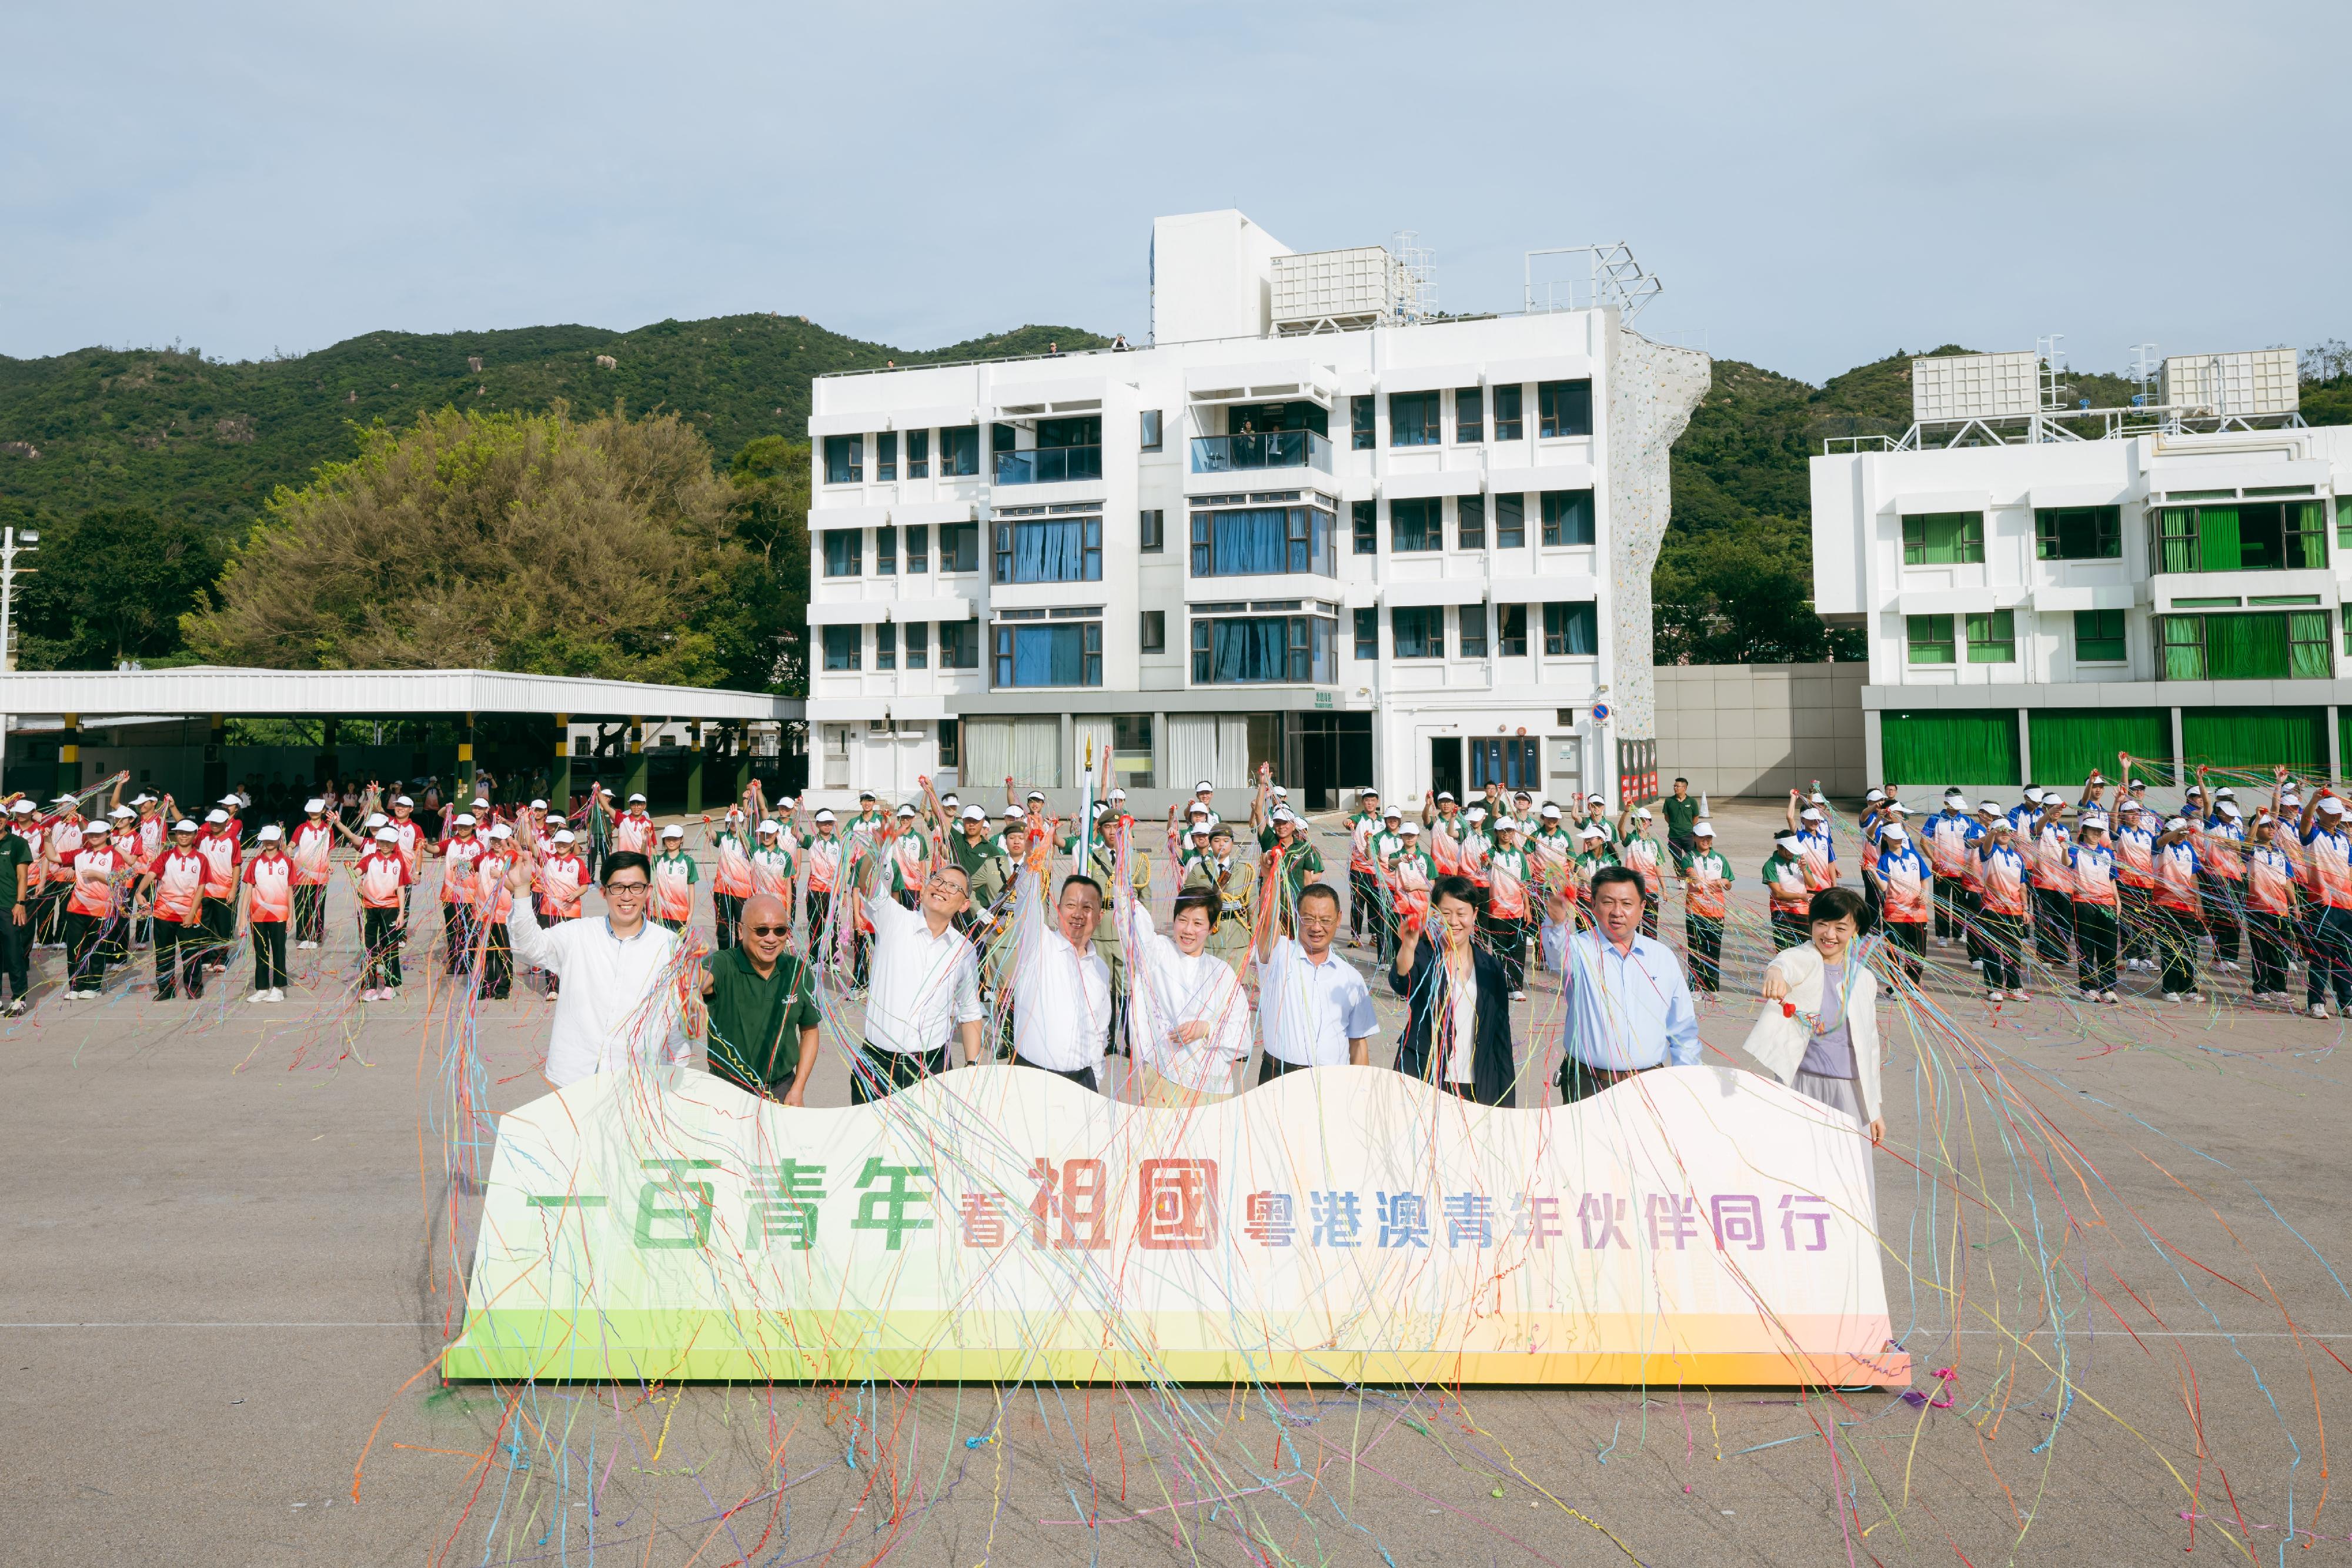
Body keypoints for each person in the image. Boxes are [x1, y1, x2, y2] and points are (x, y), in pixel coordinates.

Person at [503, 849, 686, 1086]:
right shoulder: (577, 934)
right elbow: (527, 948)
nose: (627, 896)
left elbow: (676, 1016)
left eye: (636, 887)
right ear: (604, 892)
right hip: (575, 1075)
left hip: (637, 1080)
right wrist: (521, 890)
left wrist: (676, 1076)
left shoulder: (669, 945)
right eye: (617, 888)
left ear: (649, 891)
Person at [1540, 865, 1698, 1105]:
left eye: (1626, 903)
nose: (1617, 912)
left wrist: (1688, 1083)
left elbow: (1683, 1029)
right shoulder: (1578, 949)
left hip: (1650, 1085)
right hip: (1588, 1085)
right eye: (1608, 902)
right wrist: (1558, 922)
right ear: (1593, 904)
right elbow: (1555, 955)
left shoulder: (1662, 957)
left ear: (1642, 907)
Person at [854, 807, 984, 1099]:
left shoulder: (963, 950)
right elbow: (869, 885)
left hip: (933, 1067)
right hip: (877, 1063)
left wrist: (972, 1066)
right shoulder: (894, 919)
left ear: (964, 905)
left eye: (954, 887)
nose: (941, 887)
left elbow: (969, 1010)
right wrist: (877, 850)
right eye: (937, 880)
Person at [1746, 887, 1887, 1144]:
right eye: (1822, 924)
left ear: (1855, 932)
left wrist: (1874, 1108)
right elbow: (1785, 964)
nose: (1829, 934)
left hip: (1850, 1089)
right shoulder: (1804, 958)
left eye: (1841, 928)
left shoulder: (1864, 979)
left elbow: (1870, 1045)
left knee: (1846, 1172)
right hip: (1802, 1082)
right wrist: (1775, 973)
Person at [1117, 875, 1250, 1106]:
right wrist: (1122, 882)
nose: (1188, 930)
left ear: (1211, 927)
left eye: (1198, 923)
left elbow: (1243, 1039)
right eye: (1183, 920)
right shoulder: (1159, 953)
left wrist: (1207, 1029)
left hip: (1213, 1090)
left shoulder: (1223, 973)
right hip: (1164, 1082)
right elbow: (1133, 922)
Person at [1391, 873, 1518, 1105]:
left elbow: (1501, 1036)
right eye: (1445, 913)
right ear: (1434, 914)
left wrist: (1507, 1105)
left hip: (1477, 1082)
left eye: (1461, 914)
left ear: (1475, 915)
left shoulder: (1491, 967)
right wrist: (1408, 946)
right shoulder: (1423, 955)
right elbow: (1401, 983)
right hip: (1426, 1077)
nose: (1454, 921)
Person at [1007, 836, 1112, 1090]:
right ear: (1057, 909)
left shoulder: (1100, 968)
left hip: (1083, 1082)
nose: (1078, 914)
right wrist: (1032, 866)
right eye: (1070, 905)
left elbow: (1099, 1030)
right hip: (1031, 1078)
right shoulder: (1038, 944)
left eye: (1087, 907)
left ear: (1099, 916)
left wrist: (1095, 1078)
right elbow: (1026, 904)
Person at [701, 892, 823, 1105]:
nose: (771, 939)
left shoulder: (797, 970)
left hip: (780, 1089)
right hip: (726, 1090)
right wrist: (688, 976)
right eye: (761, 930)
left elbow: (809, 1031)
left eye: (780, 930)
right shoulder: (724, 963)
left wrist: (798, 1088)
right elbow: (700, 979)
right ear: (741, 931)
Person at [1254, 878, 1375, 1081]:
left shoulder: (1351, 978)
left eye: (1326, 920)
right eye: (1308, 918)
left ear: (1338, 919)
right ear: (1296, 917)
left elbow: (1358, 1042)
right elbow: (1266, 923)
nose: (1317, 928)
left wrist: (1361, 1091)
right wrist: (1270, 877)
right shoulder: (1279, 955)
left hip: (1333, 1082)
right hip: (1278, 1078)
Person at [61, 818, 132, 998]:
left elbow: (118, 880)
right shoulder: (81, 854)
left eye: (98, 834)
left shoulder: (114, 855)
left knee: (97, 948)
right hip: (76, 908)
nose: (94, 837)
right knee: (75, 948)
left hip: (101, 910)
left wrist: (96, 875)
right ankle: (75, 987)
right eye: (91, 834)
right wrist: (46, 839)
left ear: (108, 835)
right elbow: (54, 857)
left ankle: (94, 988)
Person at [140, 820, 208, 1001]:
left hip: (190, 914)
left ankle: (194, 988)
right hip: (164, 913)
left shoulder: (201, 859)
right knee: (164, 953)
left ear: (195, 836)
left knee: (191, 953)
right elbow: (150, 875)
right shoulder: (166, 856)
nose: (184, 836)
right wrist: (140, 892)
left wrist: (192, 914)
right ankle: (166, 989)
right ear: (175, 835)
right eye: (180, 833)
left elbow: (201, 888)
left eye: (188, 833)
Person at [1183, 821, 1256, 974]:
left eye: (1226, 840)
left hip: (1237, 937)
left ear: (1233, 843)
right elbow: (1185, 901)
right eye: (1216, 841)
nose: (1221, 844)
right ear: (1210, 844)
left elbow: (1253, 906)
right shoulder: (1199, 870)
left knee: (1235, 988)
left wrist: (1255, 940)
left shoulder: (1245, 871)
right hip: (1208, 937)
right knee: (1209, 986)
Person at [1975, 817, 2032, 1001]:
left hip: (2014, 911)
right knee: (1992, 948)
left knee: (2013, 950)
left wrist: (2025, 908)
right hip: (1992, 908)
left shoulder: (2017, 857)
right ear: (1993, 832)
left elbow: (2022, 886)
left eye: (2008, 831)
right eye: (2001, 831)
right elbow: (1986, 846)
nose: (2005, 834)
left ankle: (2015, 987)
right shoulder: (1989, 851)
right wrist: (1992, 832)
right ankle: (1994, 988)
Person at [2150, 814, 2206, 1004]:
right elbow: (2163, 839)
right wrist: (2176, 831)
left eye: (2185, 833)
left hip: (2187, 904)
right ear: (2168, 831)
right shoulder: (2160, 845)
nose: (2182, 836)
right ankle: (2169, 988)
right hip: (2165, 903)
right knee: (2170, 947)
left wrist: (2198, 902)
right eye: (2178, 833)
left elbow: (2193, 877)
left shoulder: (2188, 847)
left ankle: (2189, 987)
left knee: (2190, 947)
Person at [352, 827, 412, 1000]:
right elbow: (358, 871)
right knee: (369, 947)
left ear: (395, 844)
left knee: (390, 947)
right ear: (377, 842)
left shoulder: (399, 862)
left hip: (391, 909)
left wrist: (402, 913)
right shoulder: (370, 859)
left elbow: (401, 888)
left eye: (389, 842)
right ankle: (370, 986)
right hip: (370, 909)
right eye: (382, 841)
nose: (385, 845)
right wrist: (353, 872)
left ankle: (390, 985)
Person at [2067, 813, 2122, 1004]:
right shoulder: (2075, 850)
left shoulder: (2108, 854)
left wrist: (2118, 900)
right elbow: (2067, 863)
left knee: (2108, 947)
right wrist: (2062, 848)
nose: (2096, 834)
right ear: (2084, 831)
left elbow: (2112, 879)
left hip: (2107, 904)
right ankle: (2088, 987)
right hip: (2084, 902)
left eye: (2099, 831)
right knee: (2087, 946)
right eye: (2093, 830)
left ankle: (2108, 987)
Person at [1872, 821, 1931, 985]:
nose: (1898, 840)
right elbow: (1884, 886)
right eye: (1894, 838)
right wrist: (1873, 872)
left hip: (1918, 912)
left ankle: (1912, 985)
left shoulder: (1914, 855)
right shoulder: (1884, 860)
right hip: (1895, 913)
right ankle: (1895, 988)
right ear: (1885, 838)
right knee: (1894, 952)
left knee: (1918, 953)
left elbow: (1924, 879)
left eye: (1900, 837)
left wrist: (1924, 893)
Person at [1481, 817, 1535, 999]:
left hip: (1518, 910)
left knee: (1518, 949)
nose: (1506, 834)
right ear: (1496, 833)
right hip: (1497, 911)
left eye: (1510, 830)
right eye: (1503, 831)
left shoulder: (1519, 856)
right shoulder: (1491, 853)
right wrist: (1485, 860)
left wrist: (1527, 908)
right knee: (1499, 951)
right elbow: (1484, 866)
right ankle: (1497, 985)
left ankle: (1515, 987)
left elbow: (1524, 885)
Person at [1679, 820, 1733, 995]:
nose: (1706, 840)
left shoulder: (1720, 859)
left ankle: (1712, 989)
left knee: (1713, 950)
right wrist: (1698, 881)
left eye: (1709, 837)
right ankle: (1695, 988)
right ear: (1694, 838)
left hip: (1716, 912)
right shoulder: (1689, 858)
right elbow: (1691, 875)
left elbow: (1728, 882)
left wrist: (1718, 882)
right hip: (1695, 911)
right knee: (1696, 950)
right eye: (1702, 837)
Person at [433, 813, 486, 974]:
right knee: (452, 930)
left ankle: (469, 962)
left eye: (466, 826)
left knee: (468, 929)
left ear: (473, 828)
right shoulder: (450, 843)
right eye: (460, 826)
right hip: (450, 896)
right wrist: (424, 845)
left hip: (471, 897)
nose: (462, 829)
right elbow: (436, 848)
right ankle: (455, 962)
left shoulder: (479, 846)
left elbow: (483, 869)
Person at [193, 808, 241, 973]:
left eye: (218, 822)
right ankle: (205, 958)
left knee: (222, 927)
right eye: (212, 822)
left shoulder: (233, 842)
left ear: (226, 823)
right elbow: (187, 829)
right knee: (204, 926)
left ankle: (220, 959)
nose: (214, 825)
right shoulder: (204, 839)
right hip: (205, 891)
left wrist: (233, 889)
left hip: (223, 891)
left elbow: (236, 866)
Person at [474, 824, 518, 1001]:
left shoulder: (512, 860)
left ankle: (502, 987)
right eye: (493, 839)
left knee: (503, 950)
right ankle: (485, 986)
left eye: (500, 840)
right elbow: (469, 868)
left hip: (504, 913)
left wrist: (500, 875)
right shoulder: (483, 858)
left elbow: (515, 887)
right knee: (485, 951)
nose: (496, 843)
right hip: (484, 913)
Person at [289, 799, 335, 950]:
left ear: (323, 811)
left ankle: (316, 936)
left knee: (317, 905)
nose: (314, 813)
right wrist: (288, 849)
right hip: (301, 874)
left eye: (317, 810)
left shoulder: (328, 829)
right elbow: (293, 844)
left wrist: (330, 865)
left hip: (320, 874)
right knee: (302, 905)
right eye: (311, 810)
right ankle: (303, 937)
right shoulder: (302, 828)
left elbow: (328, 850)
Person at [707, 809, 754, 949]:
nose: (733, 824)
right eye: (731, 822)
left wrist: (739, 828)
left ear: (742, 822)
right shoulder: (723, 838)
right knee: (723, 927)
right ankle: (725, 955)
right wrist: (708, 823)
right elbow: (712, 836)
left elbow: (750, 850)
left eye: (737, 821)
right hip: (722, 890)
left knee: (741, 926)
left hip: (742, 891)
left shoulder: (748, 839)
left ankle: (739, 956)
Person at [1345, 788, 1384, 949]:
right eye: (1367, 800)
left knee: (1376, 903)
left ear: (1377, 802)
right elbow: (1348, 821)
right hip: (1359, 868)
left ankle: (1375, 936)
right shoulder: (1358, 818)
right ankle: (1356, 936)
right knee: (1358, 903)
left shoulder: (1383, 821)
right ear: (1363, 802)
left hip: (1377, 870)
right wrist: (1347, 822)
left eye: (1373, 800)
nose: (1370, 803)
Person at [1763, 831, 1812, 951]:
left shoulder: (1799, 860)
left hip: (1803, 911)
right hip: (1782, 912)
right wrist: (1801, 896)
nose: (1792, 853)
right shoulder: (1771, 865)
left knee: (1806, 948)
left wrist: (1804, 870)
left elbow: (1812, 884)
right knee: (1785, 949)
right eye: (1789, 850)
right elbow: (1778, 893)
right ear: (1779, 847)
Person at [650, 825, 697, 931]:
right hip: (659, 915)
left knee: (678, 946)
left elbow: (691, 889)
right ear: (664, 840)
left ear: (682, 840)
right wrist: (646, 840)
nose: (671, 842)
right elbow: (644, 854)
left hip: (680, 914)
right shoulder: (658, 860)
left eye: (675, 839)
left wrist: (691, 913)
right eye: (668, 839)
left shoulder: (688, 862)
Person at [1660, 778, 1700, 870]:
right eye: (1674, 786)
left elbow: (1696, 817)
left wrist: (1689, 826)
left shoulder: (1692, 801)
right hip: (1674, 836)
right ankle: (1681, 880)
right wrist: (1674, 825)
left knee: (1692, 857)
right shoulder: (1669, 801)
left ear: (1684, 788)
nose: (1675, 788)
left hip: (1688, 835)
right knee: (1677, 859)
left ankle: (1693, 879)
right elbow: (1667, 816)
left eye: (1677, 786)